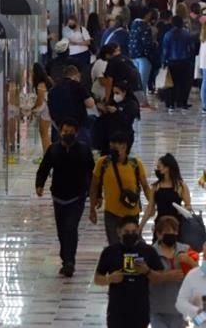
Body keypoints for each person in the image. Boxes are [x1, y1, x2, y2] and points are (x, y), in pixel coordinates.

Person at [94, 216, 166, 328]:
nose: (131, 235)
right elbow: (97, 278)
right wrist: (111, 278)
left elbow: (160, 277)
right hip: (117, 311)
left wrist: (147, 271)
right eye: (127, 232)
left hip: (140, 310)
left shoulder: (147, 251)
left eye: (134, 232)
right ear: (119, 232)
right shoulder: (110, 252)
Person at [36, 119, 95, 277]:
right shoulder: (54, 150)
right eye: (64, 131)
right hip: (58, 196)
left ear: (76, 133)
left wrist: (96, 193)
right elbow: (44, 167)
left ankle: (70, 261)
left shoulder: (83, 150)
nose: (67, 134)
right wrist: (39, 185)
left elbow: (92, 172)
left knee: (70, 228)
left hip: (77, 196)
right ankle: (65, 259)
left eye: (70, 132)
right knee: (62, 230)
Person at [148, 217, 195, 328]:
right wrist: (166, 277)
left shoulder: (186, 250)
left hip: (178, 310)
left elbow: (203, 273)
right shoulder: (151, 253)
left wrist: (189, 262)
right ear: (159, 234)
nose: (171, 235)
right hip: (157, 309)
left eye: (174, 231)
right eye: (167, 231)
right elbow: (146, 276)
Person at [89, 131, 154, 246]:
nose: (113, 151)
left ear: (124, 147)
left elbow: (145, 186)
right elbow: (94, 185)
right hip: (111, 213)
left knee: (132, 243)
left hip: (131, 213)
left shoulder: (135, 164)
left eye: (116, 147)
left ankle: (132, 263)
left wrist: (151, 204)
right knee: (115, 246)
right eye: (111, 146)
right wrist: (92, 208)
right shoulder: (103, 163)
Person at [140, 153, 193, 234]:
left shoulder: (180, 186)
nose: (157, 170)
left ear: (167, 168)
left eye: (159, 167)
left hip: (176, 226)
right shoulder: (156, 187)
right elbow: (149, 208)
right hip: (160, 225)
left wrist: (184, 209)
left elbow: (188, 205)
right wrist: (141, 226)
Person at [47, 65, 96, 147]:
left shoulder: (54, 89)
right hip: (78, 127)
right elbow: (90, 104)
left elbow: (50, 110)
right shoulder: (77, 86)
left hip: (60, 127)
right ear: (77, 75)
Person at [161, 16, 195, 113]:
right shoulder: (186, 34)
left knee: (171, 83)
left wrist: (163, 61)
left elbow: (165, 50)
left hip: (171, 62)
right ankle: (182, 102)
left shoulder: (167, 35)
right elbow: (191, 48)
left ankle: (171, 103)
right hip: (184, 62)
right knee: (184, 84)